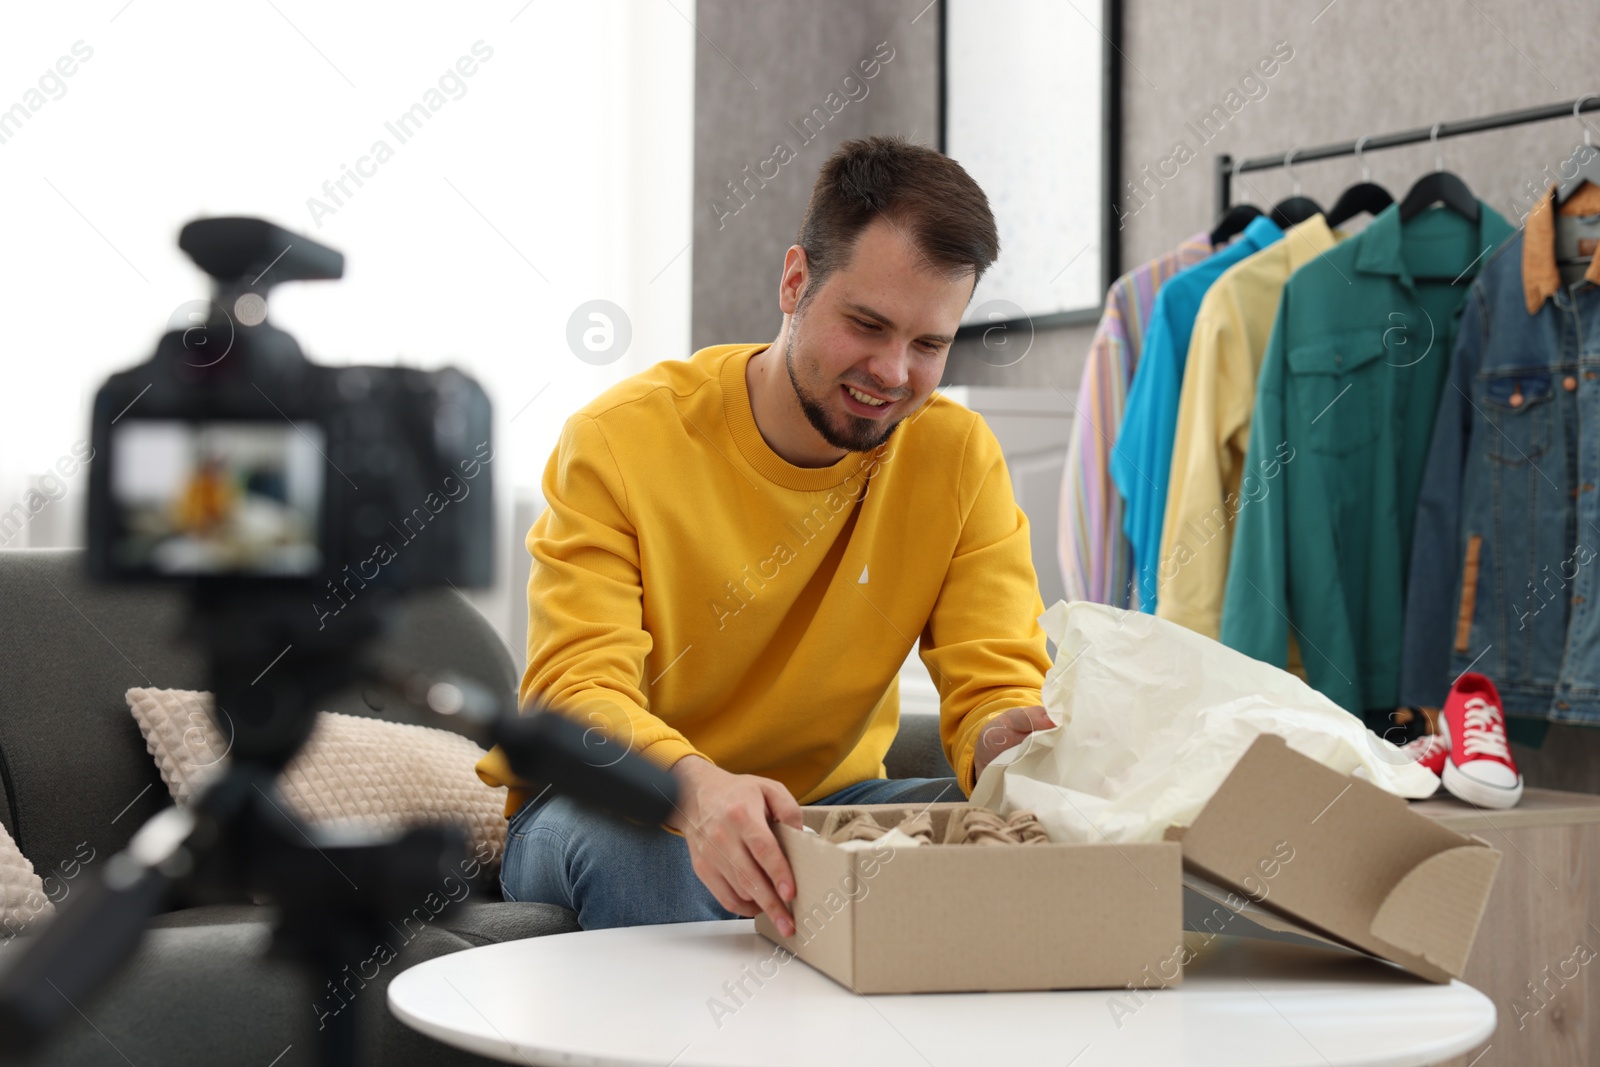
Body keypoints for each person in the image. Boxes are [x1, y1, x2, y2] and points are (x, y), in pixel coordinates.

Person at [478, 134, 1056, 936]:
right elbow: (579, 696)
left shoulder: (957, 456)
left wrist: (1007, 740)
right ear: (795, 282)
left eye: (929, 344)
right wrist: (701, 792)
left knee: (1024, 837)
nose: (893, 372)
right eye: (867, 324)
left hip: (821, 806)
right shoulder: (619, 440)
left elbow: (992, 679)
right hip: (618, 804)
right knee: (646, 849)